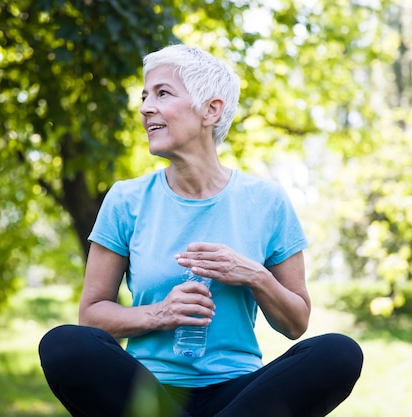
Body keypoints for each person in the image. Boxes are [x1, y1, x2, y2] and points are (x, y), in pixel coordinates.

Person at [39, 44, 363, 417]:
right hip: (150, 394)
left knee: (339, 352)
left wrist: (255, 275)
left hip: (241, 397)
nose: (145, 107)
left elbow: (296, 323)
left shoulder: (267, 201)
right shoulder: (126, 199)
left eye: (162, 93)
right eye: (145, 96)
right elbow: (92, 316)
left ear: (211, 109)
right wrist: (160, 313)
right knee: (63, 344)